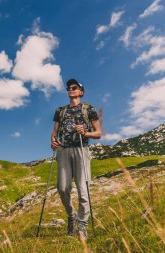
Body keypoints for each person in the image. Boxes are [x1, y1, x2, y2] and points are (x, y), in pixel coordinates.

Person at [51, 78, 101, 240]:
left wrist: (85, 132)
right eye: (68, 88)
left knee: (83, 190)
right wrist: (53, 141)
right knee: (63, 188)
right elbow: (54, 133)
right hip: (63, 151)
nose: (70, 89)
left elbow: (98, 133)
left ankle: (82, 226)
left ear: (81, 92)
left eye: (74, 87)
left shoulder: (89, 109)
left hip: (81, 149)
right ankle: (71, 216)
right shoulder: (61, 111)